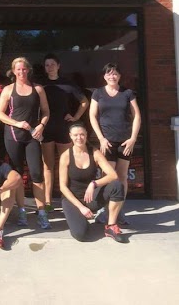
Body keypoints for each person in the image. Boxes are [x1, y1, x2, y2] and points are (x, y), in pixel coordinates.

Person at [0, 57, 51, 229]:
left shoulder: (38, 89)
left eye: (24, 69)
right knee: (17, 175)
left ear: (28, 70)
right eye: (18, 69)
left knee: (37, 174)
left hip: (32, 137)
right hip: (13, 136)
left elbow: (46, 112)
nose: (21, 72)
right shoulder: (8, 90)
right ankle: (21, 211)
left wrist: (41, 125)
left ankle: (41, 212)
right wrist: (17, 123)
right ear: (14, 71)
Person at [89, 63, 141, 225]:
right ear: (104, 76)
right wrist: (101, 138)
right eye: (109, 73)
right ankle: (105, 209)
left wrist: (133, 138)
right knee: (108, 177)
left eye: (115, 74)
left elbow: (137, 116)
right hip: (107, 142)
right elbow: (92, 116)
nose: (112, 76)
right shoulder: (98, 93)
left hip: (125, 141)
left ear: (119, 76)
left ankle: (118, 209)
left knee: (122, 176)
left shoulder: (127, 93)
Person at [59, 123, 128, 243]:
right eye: (75, 135)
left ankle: (111, 226)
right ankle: (80, 220)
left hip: (90, 197)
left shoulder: (95, 152)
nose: (79, 138)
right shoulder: (66, 156)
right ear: (70, 136)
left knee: (117, 185)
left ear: (86, 135)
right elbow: (63, 187)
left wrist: (94, 184)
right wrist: (81, 207)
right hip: (72, 200)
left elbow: (113, 175)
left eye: (82, 134)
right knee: (80, 235)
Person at [41, 54, 89, 212]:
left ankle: (68, 200)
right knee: (48, 166)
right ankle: (47, 202)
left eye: (52, 64)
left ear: (58, 66)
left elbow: (84, 102)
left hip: (63, 128)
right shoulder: (41, 85)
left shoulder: (67, 84)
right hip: (46, 128)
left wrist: (75, 117)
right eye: (47, 65)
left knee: (66, 165)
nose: (50, 67)